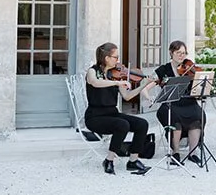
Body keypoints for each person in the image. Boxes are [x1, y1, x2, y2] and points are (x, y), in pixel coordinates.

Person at [84, 45, 152, 175]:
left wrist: (143, 85)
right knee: (122, 124)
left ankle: (133, 161)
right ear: (106, 58)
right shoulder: (93, 71)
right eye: (116, 57)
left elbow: (127, 96)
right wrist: (117, 83)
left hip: (112, 114)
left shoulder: (116, 75)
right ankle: (109, 160)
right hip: (95, 117)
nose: (118, 60)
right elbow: (95, 82)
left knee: (142, 124)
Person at [154, 41, 205, 166]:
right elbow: (149, 84)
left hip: (189, 102)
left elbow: (198, 88)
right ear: (171, 53)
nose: (181, 56)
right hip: (170, 104)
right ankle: (175, 152)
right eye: (178, 53)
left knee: (198, 116)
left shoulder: (189, 68)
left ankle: (192, 153)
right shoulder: (163, 70)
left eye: (184, 53)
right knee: (175, 121)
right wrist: (148, 97)